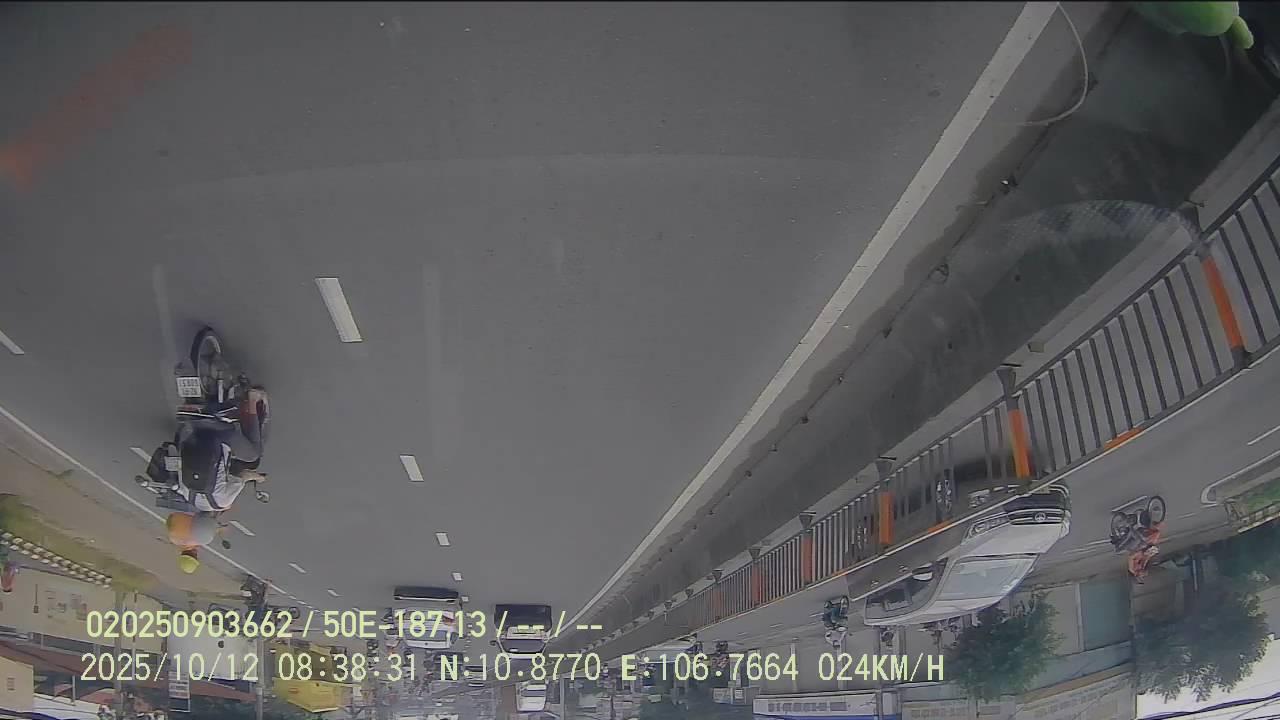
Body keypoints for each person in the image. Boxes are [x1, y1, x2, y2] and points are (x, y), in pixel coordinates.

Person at [177, 388, 269, 512]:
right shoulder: (187, 494)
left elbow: (244, 475)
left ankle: (253, 399)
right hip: (194, 433)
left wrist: (259, 478)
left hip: (219, 436)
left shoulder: (222, 502)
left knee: (252, 454)